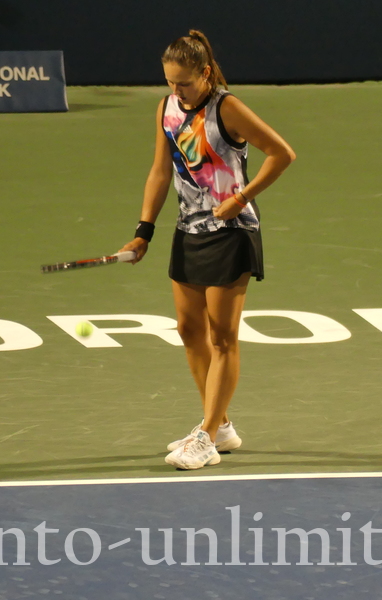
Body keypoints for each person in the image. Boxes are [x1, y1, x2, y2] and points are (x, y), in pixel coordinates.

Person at [120, 30, 296, 470]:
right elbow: (161, 171)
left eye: (182, 83)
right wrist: (144, 230)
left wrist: (243, 196)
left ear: (204, 72)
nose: (174, 90)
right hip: (188, 230)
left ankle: (206, 436)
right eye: (169, 82)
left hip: (232, 231)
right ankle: (219, 426)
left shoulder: (227, 108)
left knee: (222, 337)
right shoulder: (167, 109)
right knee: (187, 330)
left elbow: (282, 153)